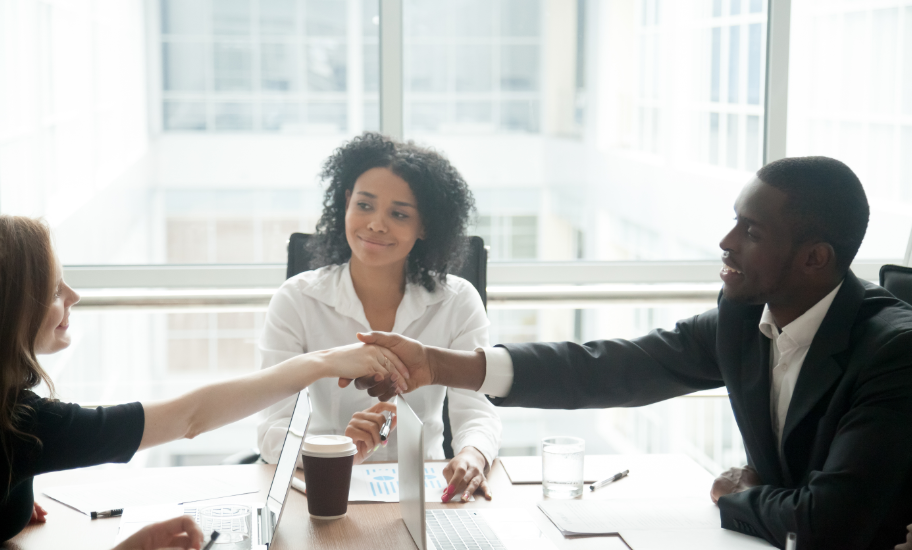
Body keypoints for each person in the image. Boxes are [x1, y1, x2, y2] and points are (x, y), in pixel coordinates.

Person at [353, 156, 912, 550]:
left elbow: (830, 528)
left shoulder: (895, 353)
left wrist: (747, 496)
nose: (726, 242)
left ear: (814, 259)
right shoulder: (746, 318)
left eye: (752, 231)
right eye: (734, 220)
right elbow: (607, 367)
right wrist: (438, 365)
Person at [0, 215, 409, 545]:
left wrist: (12, 497)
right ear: (12, 308)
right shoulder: (23, 425)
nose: (73, 296)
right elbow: (191, 417)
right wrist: (324, 362)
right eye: (54, 290)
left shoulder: (18, 421)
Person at [256, 133, 501, 503]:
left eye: (399, 214)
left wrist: (473, 454)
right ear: (345, 203)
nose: (376, 224)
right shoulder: (297, 300)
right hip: (325, 490)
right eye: (365, 205)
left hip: (429, 488)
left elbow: (477, 412)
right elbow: (273, 429)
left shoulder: (458, 301)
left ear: (425, 227)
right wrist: (337, 447)